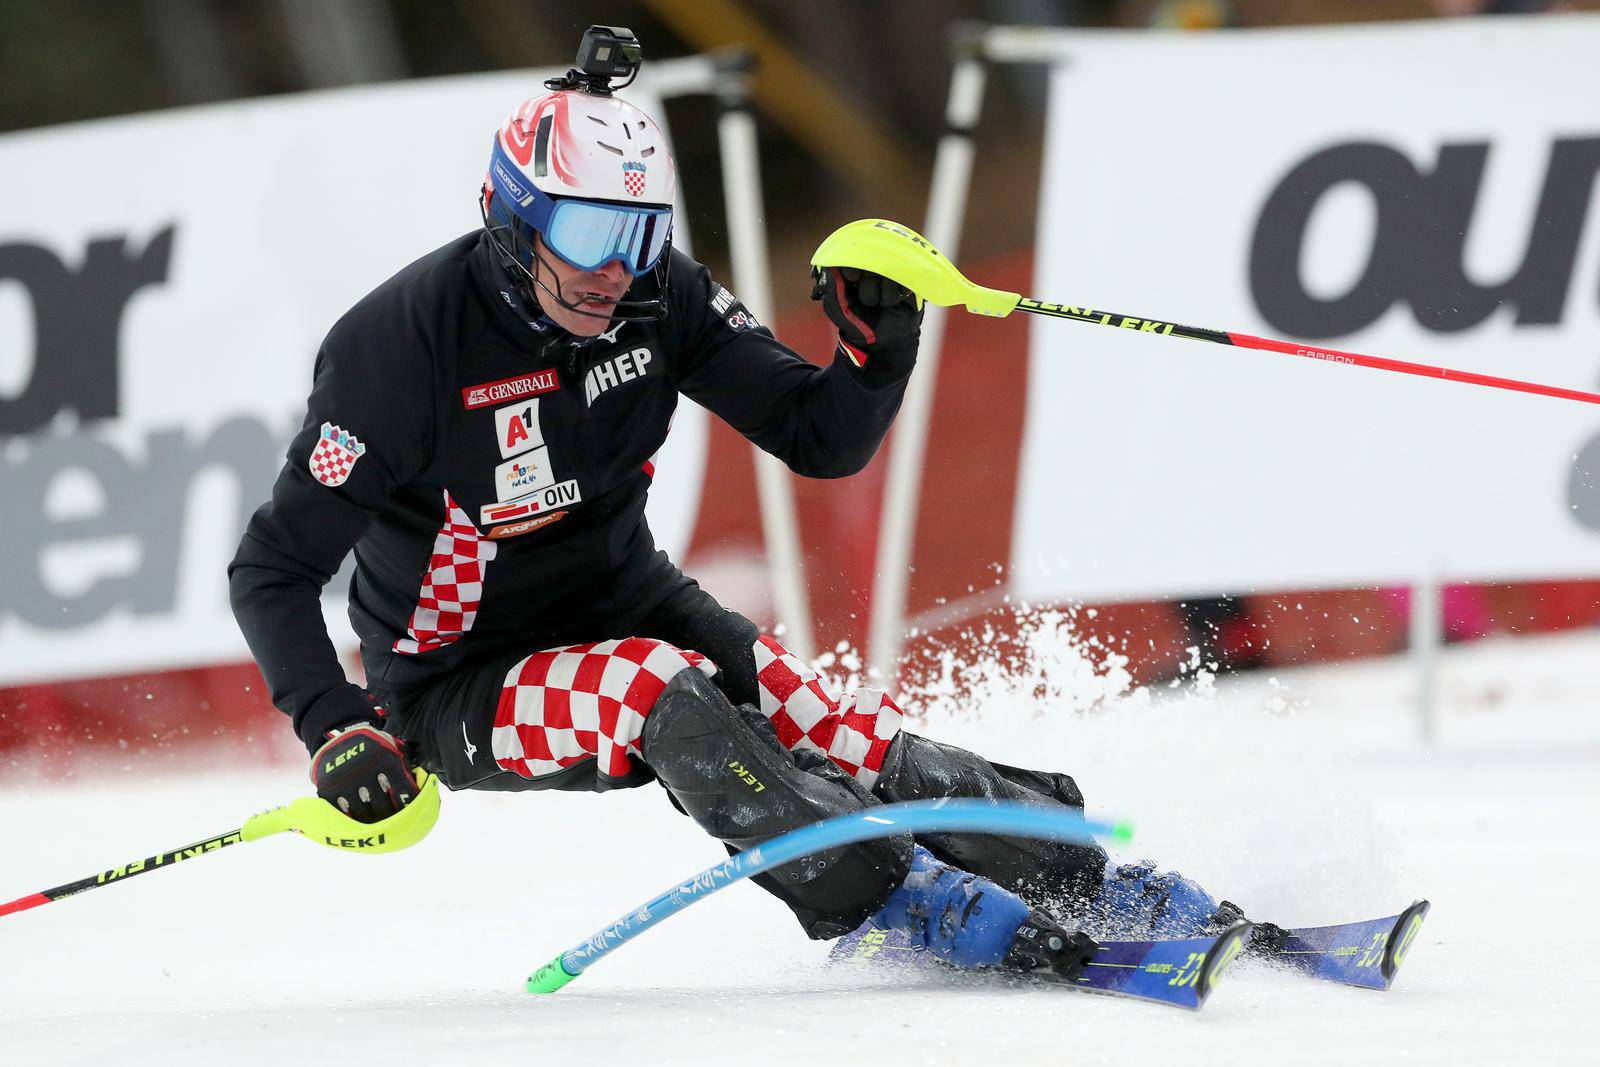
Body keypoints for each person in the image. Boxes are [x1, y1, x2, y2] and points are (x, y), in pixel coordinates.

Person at [229, 34, 1246, 979]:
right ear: (509, 212)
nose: (611, 267)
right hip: (460, 681)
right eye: (585, 230)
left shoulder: (654, 293)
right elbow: (271, 569)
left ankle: (1091, 880)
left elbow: (820, 436)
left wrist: (876, 349)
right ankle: (897, 902)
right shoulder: (398, 349)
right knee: (651, 684)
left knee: (848, 728)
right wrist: (334, 723)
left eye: (638, 231)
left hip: (630, 604)